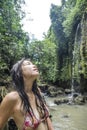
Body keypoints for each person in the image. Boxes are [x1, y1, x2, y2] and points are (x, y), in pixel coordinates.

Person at [0, 58, 54, 130]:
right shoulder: (12, 98)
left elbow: (46, 118)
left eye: (32, 64)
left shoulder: (37, 92)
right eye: (28, 64)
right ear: (20, 72)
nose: (34, 65)